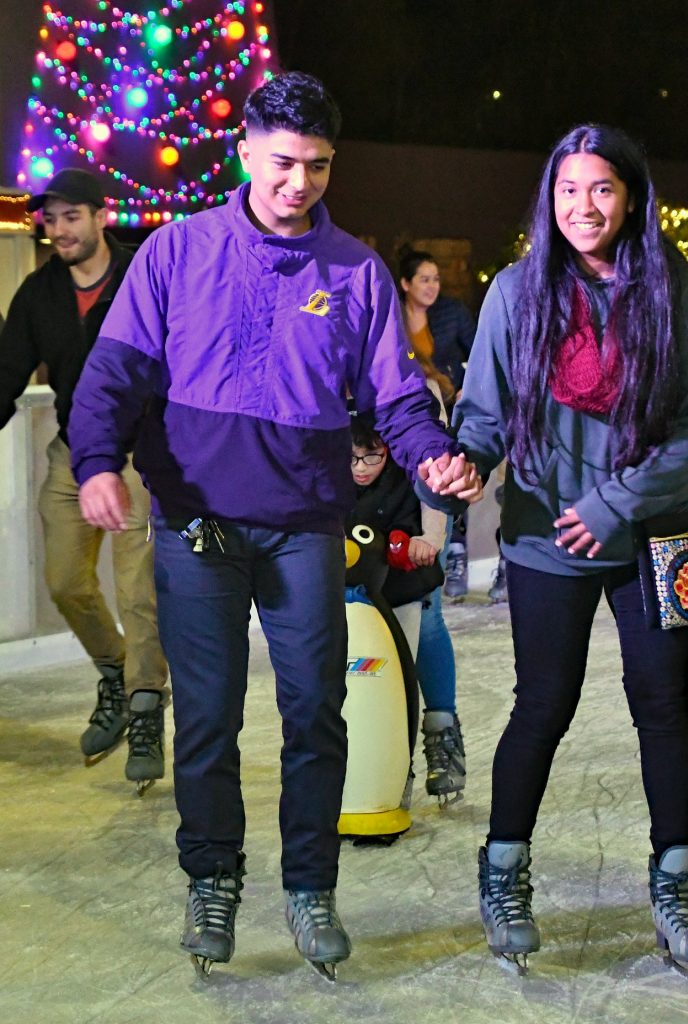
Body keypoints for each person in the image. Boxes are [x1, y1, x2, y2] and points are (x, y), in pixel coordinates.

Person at [68, 72, 481, 980]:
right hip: (198, 527)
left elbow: (398, 400)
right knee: (209, 720)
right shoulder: (176, 253)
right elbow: (113, 373)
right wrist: (96, 461)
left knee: (314, 714)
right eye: (285, 162)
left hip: (303, 526)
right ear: (247, 148)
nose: (299, 182)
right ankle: (212, 877)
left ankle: (309, 887)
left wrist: (433, 457)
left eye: (319, 166)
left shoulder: (358, 275)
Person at [420, 124, 688, 977]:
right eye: (566, 190)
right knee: (541, 705)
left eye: (600, 189)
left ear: (631, 198)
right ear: (547, 201)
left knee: (664, 704)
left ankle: (676, 878)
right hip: (546, 532)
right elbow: (482, 414)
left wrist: (617, 499)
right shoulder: (518, 293)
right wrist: (467, 463)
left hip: (663, 527)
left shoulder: (677, 291)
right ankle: (504, 870)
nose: (582, 206)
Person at [0, 168, 168, 789]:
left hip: (140, 455)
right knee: (65, 580)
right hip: (74, 452)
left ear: (102, 215)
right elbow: (7, 371)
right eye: (52, 218)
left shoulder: (140, 276)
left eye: (73, 215)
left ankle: (146, 706)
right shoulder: (38, 294)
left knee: (137, 586)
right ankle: (116, 672)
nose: (60, 228)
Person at [348, 416, 466, 804]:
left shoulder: (402, 385)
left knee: (420, 627)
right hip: (350, 568)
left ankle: (440, 734)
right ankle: (374, 758)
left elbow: (432, 458)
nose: (360, 468)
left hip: (405, 553)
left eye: (371, 458)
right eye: (353, 460)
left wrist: (429, 536)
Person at [399, 247, 477, 601]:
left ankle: (459, 553)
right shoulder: (393, 316)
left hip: (453, 402)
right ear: (405, 283)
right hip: (417, 407)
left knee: (459, 475)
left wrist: (467, 389)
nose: (432, 286)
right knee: (431, 477)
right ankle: (452, 549)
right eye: (424, 279)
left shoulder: (451, 313)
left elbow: (477, 353)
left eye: (436, 279)